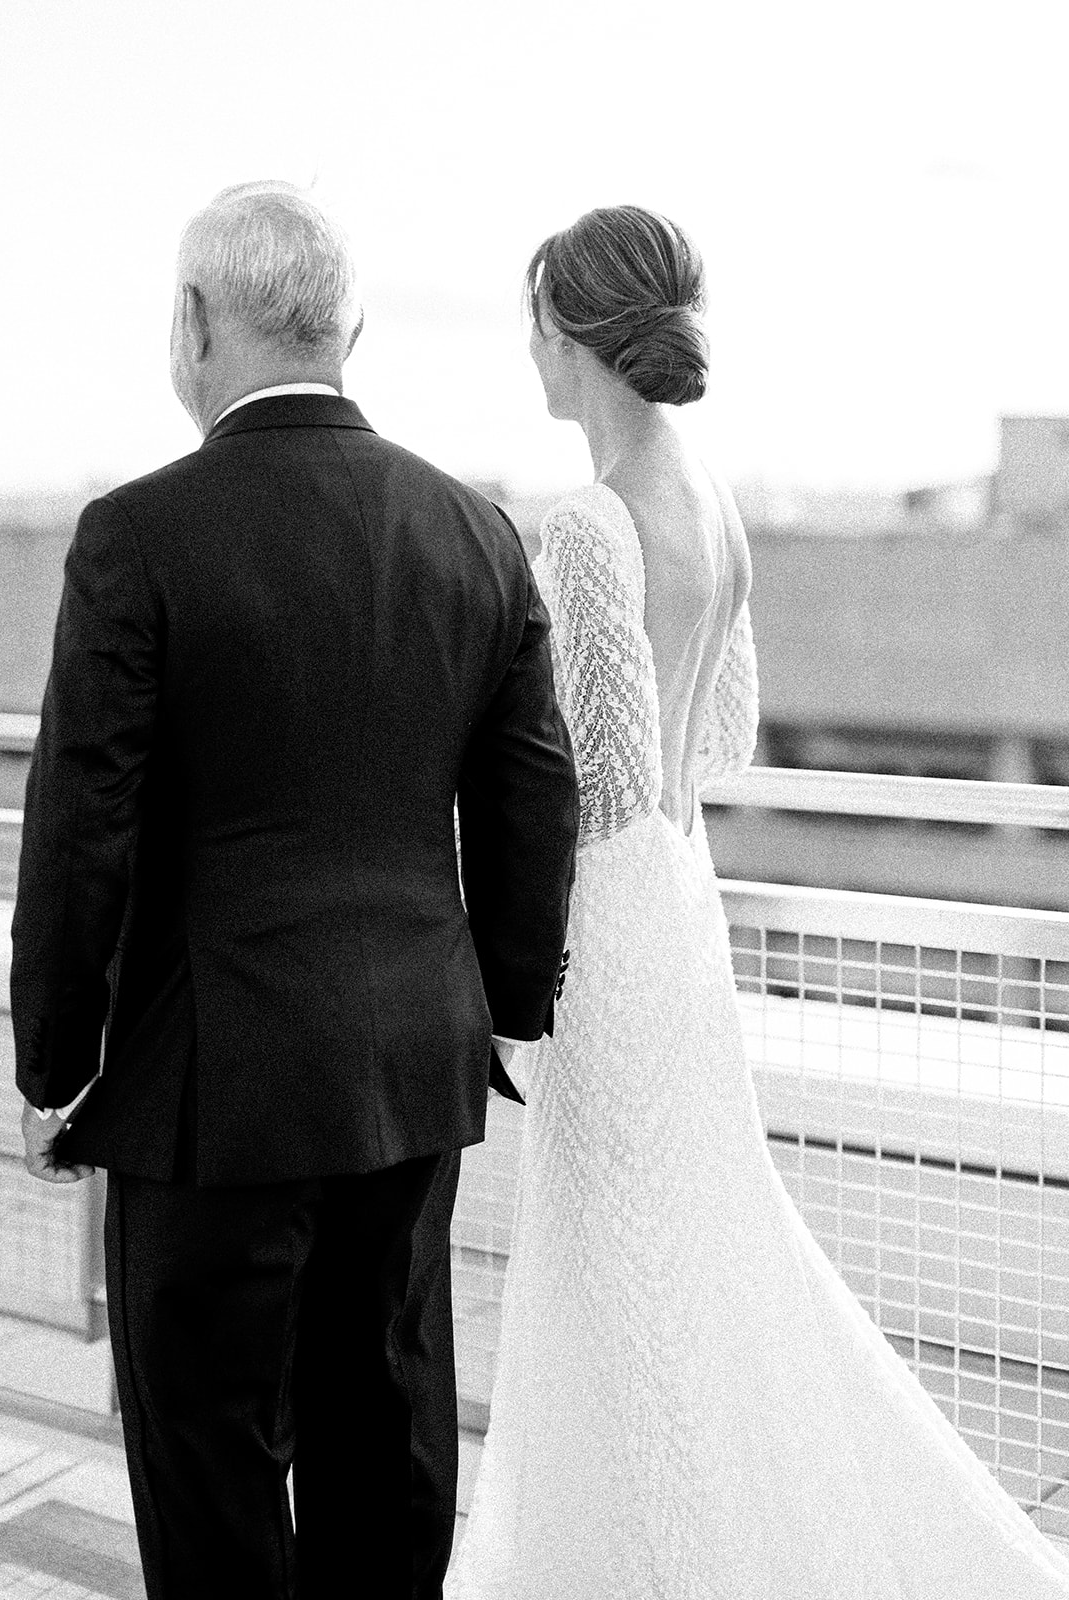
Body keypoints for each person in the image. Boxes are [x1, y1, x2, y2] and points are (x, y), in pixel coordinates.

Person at [448, 205, 1069, 1598]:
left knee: (617, 1269)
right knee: (690, 1252)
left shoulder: (592, 521)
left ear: (579, 330)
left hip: (605, 927)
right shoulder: (709, 496)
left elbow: (576, 785)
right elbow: (710, 739)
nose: (529, 347)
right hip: (682, 896)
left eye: (537, 318)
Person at [9, 180, 579, 1600]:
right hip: (408, 1073)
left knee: (211, 1476)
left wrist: (53, 1060)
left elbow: (84, 819)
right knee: (385, 1451)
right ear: (350, 327)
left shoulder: (137, 534)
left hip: (209, 1093)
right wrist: (505, 1005)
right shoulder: (474, 530)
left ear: (198, 324)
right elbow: (531, 798)